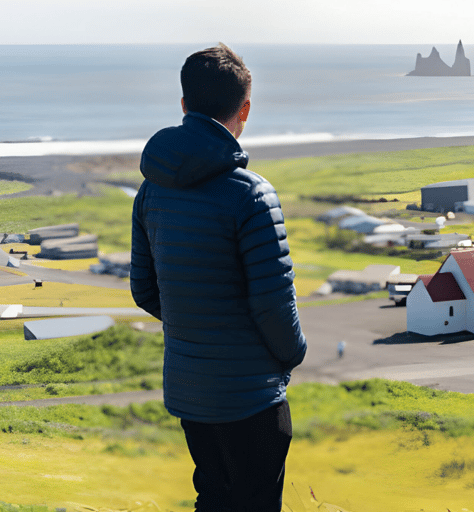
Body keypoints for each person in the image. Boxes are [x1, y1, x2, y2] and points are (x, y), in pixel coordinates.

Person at [130, 43, 307, 511]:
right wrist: (294, 354)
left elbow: (144, 289)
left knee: (212, 498)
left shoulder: (151, 188)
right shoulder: (251, 195)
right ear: (244, 109)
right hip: (252, 397)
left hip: (190, 391)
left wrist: (199, 325)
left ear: (184, 104)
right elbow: (273, 304)